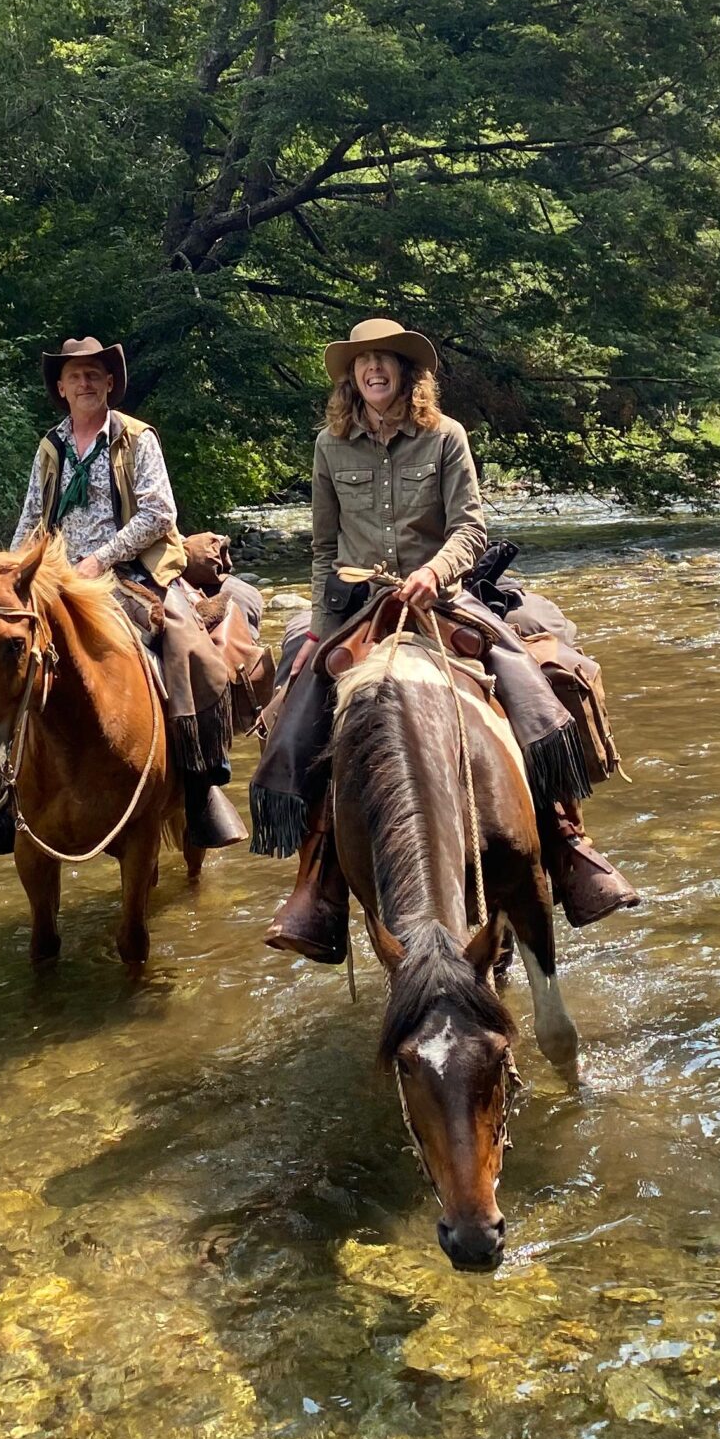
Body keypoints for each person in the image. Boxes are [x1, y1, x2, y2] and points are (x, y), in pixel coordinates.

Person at [254, 316, 638, 962]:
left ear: (407, 372)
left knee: (529, 683)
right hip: (360, 606)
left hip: (444, 597)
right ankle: (319, 878)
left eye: (386, 361)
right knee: (299, 713)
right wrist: (321, 627)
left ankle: (566, 841)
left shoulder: (445, 438)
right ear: (351, 375)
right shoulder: (330, 445)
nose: (374, 371)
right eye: (363, 362)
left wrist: (435, 573)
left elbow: (470, 529)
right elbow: (324, 547)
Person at [0, 333, 248, 854]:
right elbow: (31, 521)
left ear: (110, 383)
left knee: (191, 651)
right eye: (75, 375)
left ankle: (200, 786)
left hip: (134, 574)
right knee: (1, 659)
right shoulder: (50, 447)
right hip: (54, 582)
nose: (85, 382)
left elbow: (159, 512)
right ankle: (0, 798)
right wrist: (11, 575)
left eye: (95, 373)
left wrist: (101, 559)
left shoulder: (138, 439)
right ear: (61, 388)